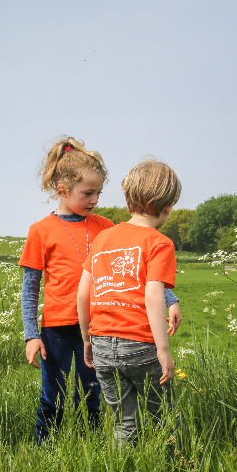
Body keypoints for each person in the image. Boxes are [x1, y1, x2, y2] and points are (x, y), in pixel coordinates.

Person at [20, 138, 182, 444]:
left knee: (93, 393)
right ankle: (45, 447)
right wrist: (32, 334)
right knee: (52, 393)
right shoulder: (40, 231)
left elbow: (141, 270)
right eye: (88, 193)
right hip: (56, 327)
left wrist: (170, 299)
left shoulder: (106, 227)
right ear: (62, 189)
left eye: (98, 193)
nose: (94, 200)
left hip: (98, 327)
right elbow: (29, 289)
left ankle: (89, 444)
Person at [77, 158, 182, 445]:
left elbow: (83, 294)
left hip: (101, 345)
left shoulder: (103, 239)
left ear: (127, 198)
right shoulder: (159, 243)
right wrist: (163, 350)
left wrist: (87, 339)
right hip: (140, 346)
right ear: (169, 206)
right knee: (167, 419)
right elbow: (152, 295)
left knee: (125, 424)